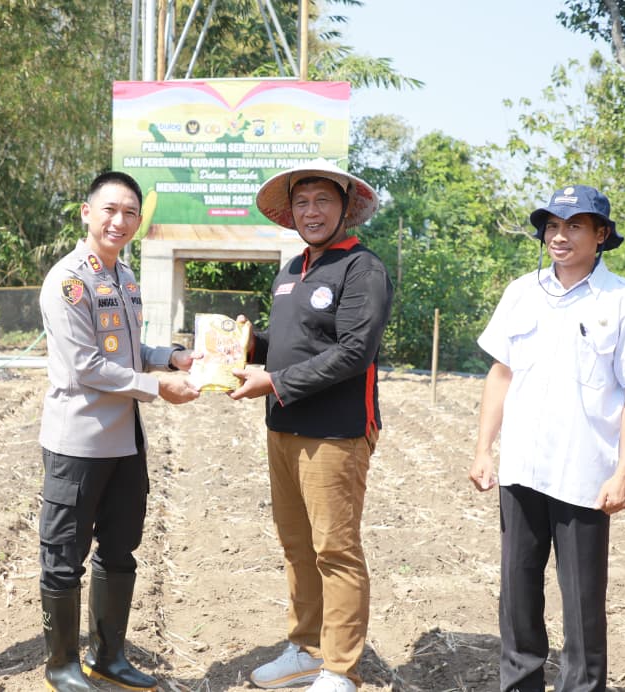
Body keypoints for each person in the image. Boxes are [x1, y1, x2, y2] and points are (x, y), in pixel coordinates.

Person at [469, 185, 625, 692]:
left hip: (584, 472)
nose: (560, 235)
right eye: (553, 226)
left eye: (575, 225)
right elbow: (500, 374)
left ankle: (583, 687)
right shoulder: (521, 292)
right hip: (521, 467)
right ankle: (520, 683)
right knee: (517, 591)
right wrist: (483, 450)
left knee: (581, 600)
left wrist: (623, 472)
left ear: (601, 235)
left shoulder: (624, 300)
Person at [229, 158, 392, 692]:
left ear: (346, 207)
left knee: (335, 550)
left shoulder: (362, 269)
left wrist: (273, 382)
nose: (312, 211)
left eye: (323, 200)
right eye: (302, 202)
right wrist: (243, 348)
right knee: (297, 546)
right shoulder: (291, 269)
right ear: (291, 211)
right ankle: (304, 648)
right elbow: (286, 347)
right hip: (283, 428)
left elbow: (352, 353)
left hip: (335, 433)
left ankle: (341, 669)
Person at [36, 170, 200, 692]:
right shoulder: (69, 281)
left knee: (120, 550)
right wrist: (158, 387)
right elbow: (88, 367)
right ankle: (61, 664)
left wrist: (170, 355)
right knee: (65, 556)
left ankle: (109, 656)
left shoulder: (123, 278)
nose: (119, 221)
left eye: (130, 212)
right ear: (87, 213)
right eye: (109, 209)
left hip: (125, 441)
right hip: (78, 442)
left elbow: (128, 353)